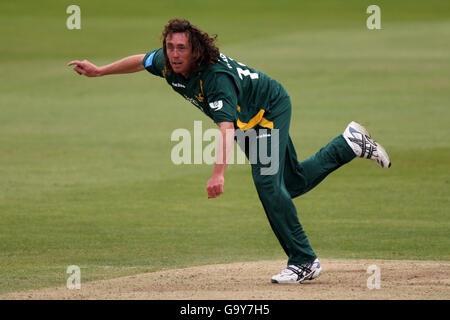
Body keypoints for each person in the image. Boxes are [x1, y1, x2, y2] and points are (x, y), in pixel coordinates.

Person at [67, 18, 391, 284]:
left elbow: (226, 129)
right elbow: (140, 60)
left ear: (195, 51)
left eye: (182, 48)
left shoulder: (215, 78)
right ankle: (348, 144)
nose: (175, 53)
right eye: (170, 47)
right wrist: (99, 70)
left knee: (267, 184)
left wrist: (218, 173)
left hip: (268, 110)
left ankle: (304, 260)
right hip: (248, 119)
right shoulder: (167, 63)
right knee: (290, 185)